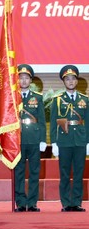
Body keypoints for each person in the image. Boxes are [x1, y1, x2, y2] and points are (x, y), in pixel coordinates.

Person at [50, 65, 89, 212]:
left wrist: (88, 141)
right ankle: (66, 203)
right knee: (65, 173)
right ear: (64, 82)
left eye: (73, 79)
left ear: (77, 81)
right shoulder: (58, 100)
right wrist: (54, 142)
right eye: (67, 79)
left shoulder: (84, 99)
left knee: (79, 172)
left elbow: (88, 121)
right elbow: (54, 122)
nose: (71, 81)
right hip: (64, 140)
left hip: (80, 140)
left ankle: (77, 202)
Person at [15, 64, 46, 212]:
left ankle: (32, 202)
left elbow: (41, 119)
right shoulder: (12, 98)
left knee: (34, 171)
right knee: (19, 172)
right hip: (18, 140)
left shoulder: (37, 98)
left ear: (31, 80)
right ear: (17, 80)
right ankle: (20, 202)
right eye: (21, 78)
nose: (24, 81)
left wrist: (43, 140)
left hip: (34, 138)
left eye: (27, 78)